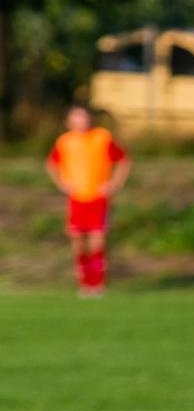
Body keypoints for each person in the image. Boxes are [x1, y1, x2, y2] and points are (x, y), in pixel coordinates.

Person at [45, 105, 130, 297]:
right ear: (69, 121)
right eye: (76, 118)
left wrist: (114, 183)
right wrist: (62, 183)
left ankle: (97, 283)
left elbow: (123, 160)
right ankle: (84, 283)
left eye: (83, 117)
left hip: (98, 197)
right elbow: (51, 164)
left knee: (97, 241)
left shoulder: (101, 137)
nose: (81, 121)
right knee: (78, 241)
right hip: (76, 198)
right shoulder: (65, 142)